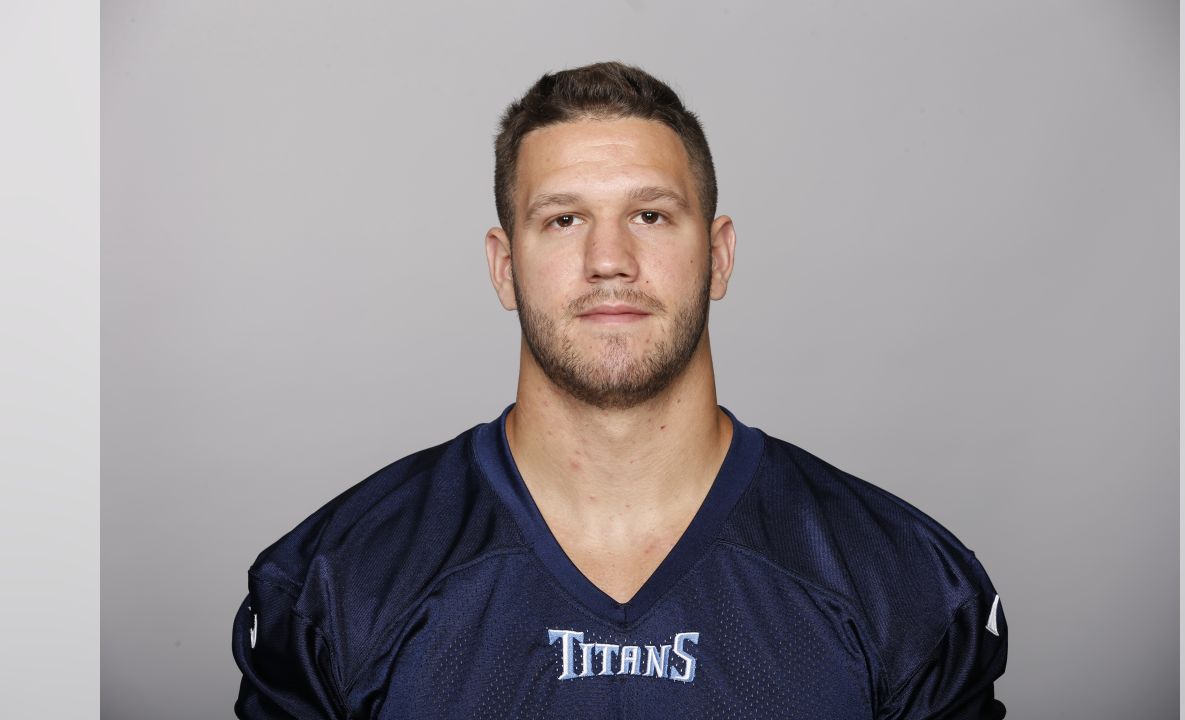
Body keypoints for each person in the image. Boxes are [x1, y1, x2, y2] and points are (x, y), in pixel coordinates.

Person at [232, 61, 1008, 719]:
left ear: (719, 254)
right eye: (564, 220)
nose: (610, 259)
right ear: (505, 266)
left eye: (650, 214)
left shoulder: (901, 583)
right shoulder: (337, 583)